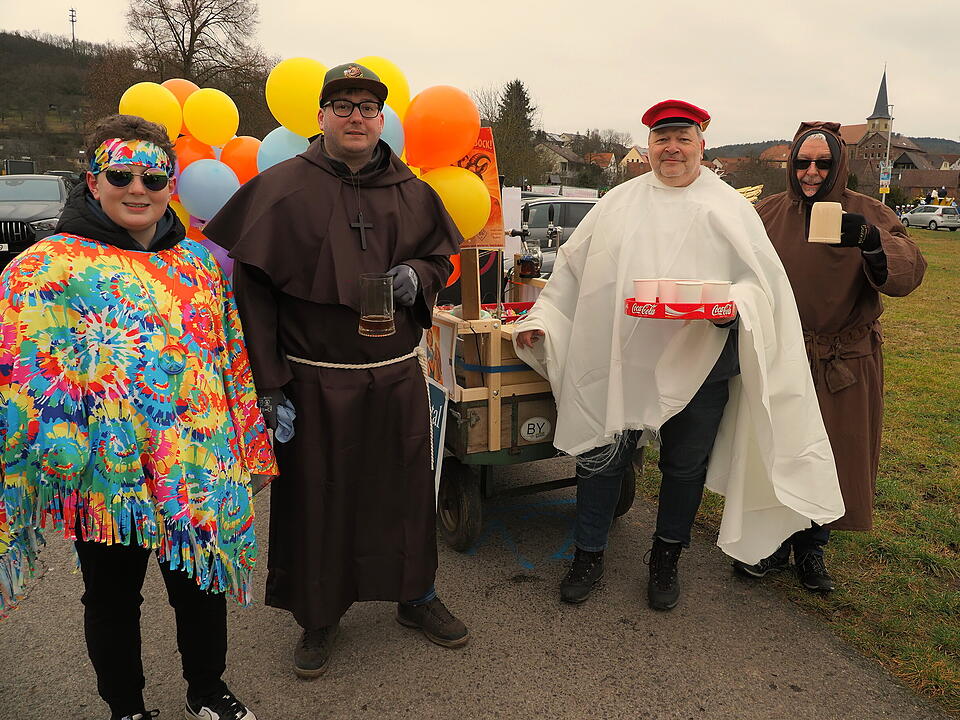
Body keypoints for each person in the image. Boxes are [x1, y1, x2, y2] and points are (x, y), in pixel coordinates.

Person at [514, 100, 844, 612]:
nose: (672, 147)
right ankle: (588, 554)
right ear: (648, 146)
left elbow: (762, 288)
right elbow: (572, 278)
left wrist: (732, 311)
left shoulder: (729, 208)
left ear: (701, 145)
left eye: (683, 137)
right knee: (601, 457)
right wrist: (542, 322)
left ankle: (666, 558)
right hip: (620, 357)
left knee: (684, 468)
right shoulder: (616, 204)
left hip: (703, 361)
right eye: (662, 137)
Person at [0, 114, 276, 720]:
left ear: (170, 185)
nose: (138, 188)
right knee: (112, 596)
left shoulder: (198, 266)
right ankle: (126, 706)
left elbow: (230, 356)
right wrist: (40, 461)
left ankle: (209, 692)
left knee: (202, 584)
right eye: (121, 174)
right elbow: (19, 373)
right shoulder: (43, 268)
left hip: (196, 461)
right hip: (105, 471)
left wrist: (248, 444)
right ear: (93, 181)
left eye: (153, 177)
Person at [204, 63, 467, 678]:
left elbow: (438, 258)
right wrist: (268, 385)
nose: (356, 116)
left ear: (383, 120)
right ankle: (318, 615)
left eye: (367, 107)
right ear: (320, 116)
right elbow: (254, 295)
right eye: (343, 105)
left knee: (404, 492)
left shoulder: (411, 188)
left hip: (397, 373)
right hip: (314, 379)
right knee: (317, 497)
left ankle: (415, 595)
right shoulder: (282, 187)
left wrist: (419, 277)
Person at [747, 122, 926, 591]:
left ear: (838, 166)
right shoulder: (768, 213)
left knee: (830, 455)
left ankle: (812, 548)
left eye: (822, 163)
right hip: (784, 355)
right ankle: (774, 541)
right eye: (802, 162)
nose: (810, 172)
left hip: (842, 360)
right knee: (781, 450)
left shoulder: (869, 212)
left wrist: (871, 241)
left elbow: (908, 272)